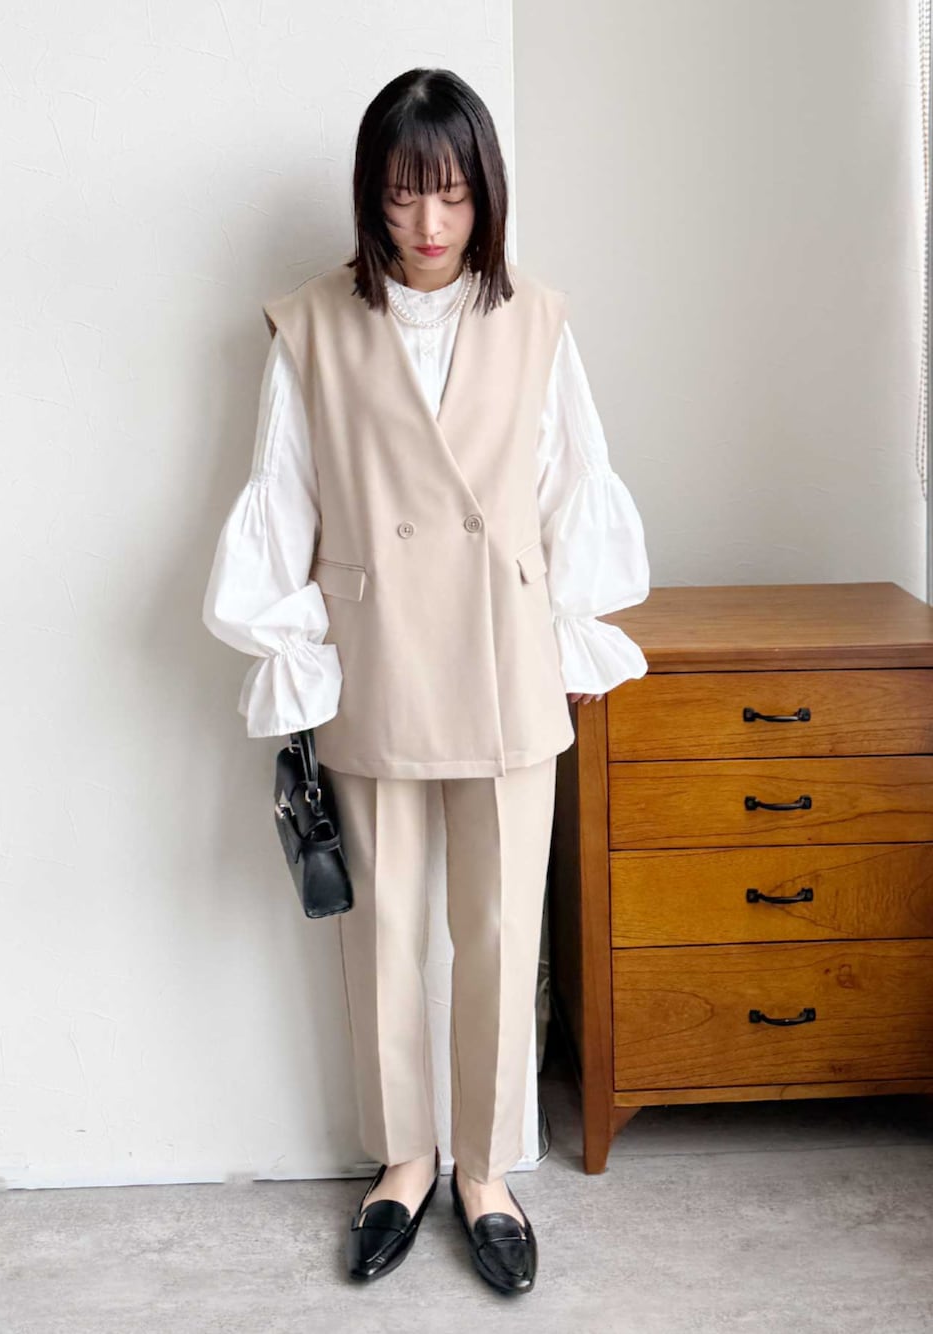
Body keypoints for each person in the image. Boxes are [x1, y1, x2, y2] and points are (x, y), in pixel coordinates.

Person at [202, 67, 650, 1295]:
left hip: (504, 653)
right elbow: (281, 493)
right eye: (405, 195)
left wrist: (570, 633)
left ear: (484, 193)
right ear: (372, 197)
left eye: (451, 193)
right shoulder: (312, 324)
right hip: (376, 655)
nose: (430, 222)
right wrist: (298, 656)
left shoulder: (536, 318)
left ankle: (486, 1170)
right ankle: (404, 1158)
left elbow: (570, 483)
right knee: (386, 928)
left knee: (501, 929)